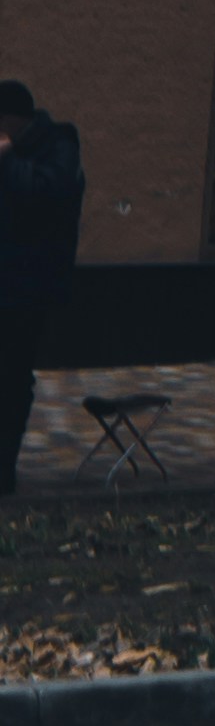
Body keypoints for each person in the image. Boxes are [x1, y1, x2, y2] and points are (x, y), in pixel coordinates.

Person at [0, 74, 83, 491]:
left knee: (12, 379)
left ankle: (3, 471)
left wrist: (8, 161)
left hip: (27, 290)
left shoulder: (59, 146)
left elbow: (46, 196)